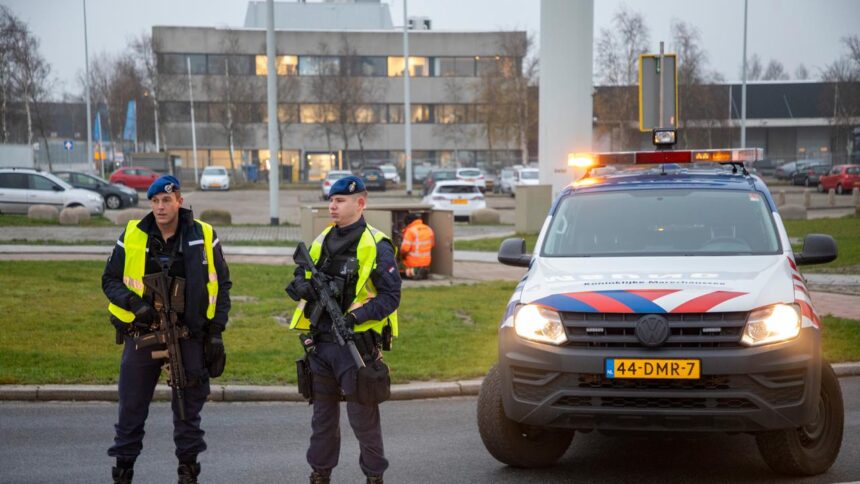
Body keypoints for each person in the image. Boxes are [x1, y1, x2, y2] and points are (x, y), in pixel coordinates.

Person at [102, 175, 231, 484]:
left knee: (188, 411)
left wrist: (216, 332)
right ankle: (123, 471)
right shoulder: (134, 233)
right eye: (156, 201)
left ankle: (187, 473)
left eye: (167, 201)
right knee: (131, 408)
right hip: (142, 332)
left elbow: (221, 285)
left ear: (179, 201)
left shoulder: (204, 234)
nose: (160, 207)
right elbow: (109, 280)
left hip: (188, 335)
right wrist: (137, 306)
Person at [286, 175, 400, 484]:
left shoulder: (376, 244)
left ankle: (374, 476)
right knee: (322, 419)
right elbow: (300, 273)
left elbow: (391, 297)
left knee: (363, 419)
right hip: (320, 344)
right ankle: (320, 474)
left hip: (355, 346)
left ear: (360, 203)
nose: (332, 206)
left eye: (340, 201)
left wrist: (353, 319)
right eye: (331, 201)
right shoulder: (323, 239)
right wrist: (303, 286)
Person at [399, 213, 435, 280]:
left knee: (397, 272)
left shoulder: (410, 231)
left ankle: (413, 272)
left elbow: (404, 249)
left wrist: (400, 255)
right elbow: (432, 245)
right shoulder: (428, 229)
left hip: (412, 264)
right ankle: (421, 271)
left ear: (408, 222)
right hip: (426, 263)